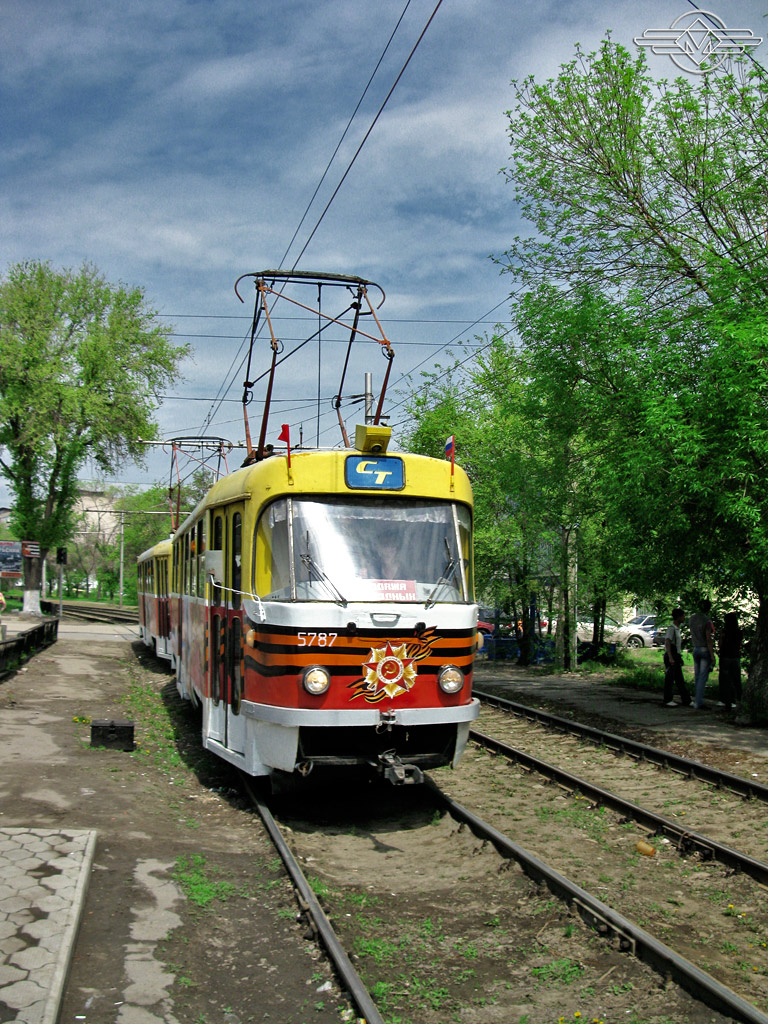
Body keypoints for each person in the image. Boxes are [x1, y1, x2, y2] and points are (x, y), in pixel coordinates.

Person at [689, 598, 716, 709]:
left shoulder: (692, 618)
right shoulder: (707, 621)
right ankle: (699, 702)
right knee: (702, 677)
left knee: (697, 676)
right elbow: (708, 638)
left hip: (695, 648)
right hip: (704, 649)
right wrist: (712, 655)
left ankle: (696, 699)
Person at [663, 607, 691, 707]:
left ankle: (686, 699)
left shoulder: (677, 629)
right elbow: (668, 642)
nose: (684, 618)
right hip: (672, 655)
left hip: (676, 655)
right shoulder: (672, 629)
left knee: (679, 679)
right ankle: (668, 699)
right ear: (678, 617)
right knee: (670, 678)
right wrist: (670, 657)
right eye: (683, 616)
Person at [717, 612, 743, 710]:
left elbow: (720, 644)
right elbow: (739, 644)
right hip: (735, 656)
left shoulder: (724, 631)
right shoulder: (739, 632)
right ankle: (738, 698)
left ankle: (726, 699)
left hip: (725, 656)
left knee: (725, 679)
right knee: (736, 678)